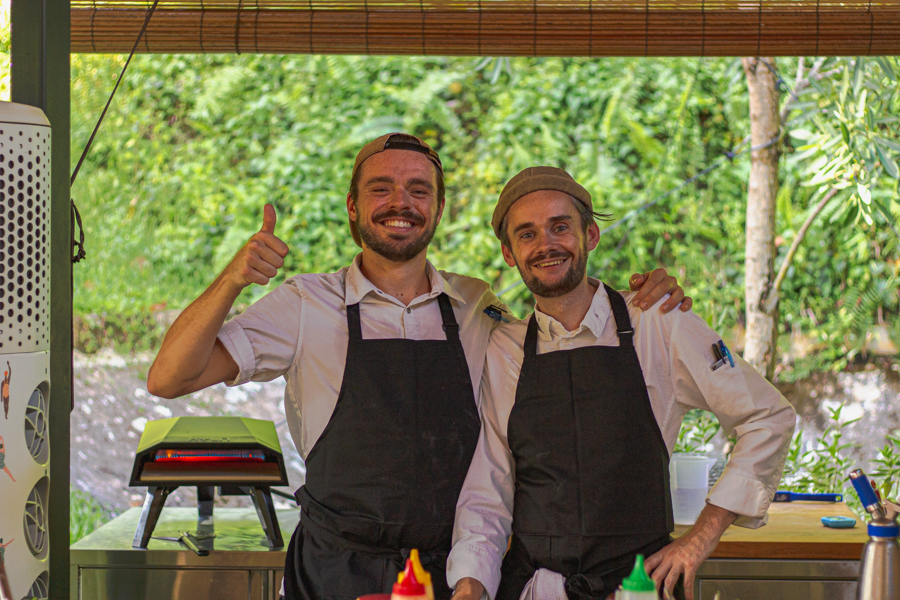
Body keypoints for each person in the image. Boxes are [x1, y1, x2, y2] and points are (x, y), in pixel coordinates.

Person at [147, 135, 690, 600]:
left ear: (438, 207)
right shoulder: (305, 305)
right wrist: (234, 277)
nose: (399, 202)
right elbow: (169, 378)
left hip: (454, 576)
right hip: (336, 570)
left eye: (419, 190)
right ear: (353, 207)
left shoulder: (478, 307)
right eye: (380, 188)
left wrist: (643, 302)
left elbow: (566, 322)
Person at [447, 167, 796, 600]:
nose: (546, 245)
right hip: (537, 590)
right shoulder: (505, 349)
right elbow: (489, 490)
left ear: (590, 235)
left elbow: (768, 416)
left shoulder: (658, 321)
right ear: (509, 252)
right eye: (528, 234)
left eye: (561, 227)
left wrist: (700, 538)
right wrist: (469, 587)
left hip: (641, 588)